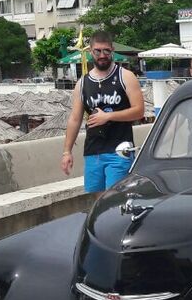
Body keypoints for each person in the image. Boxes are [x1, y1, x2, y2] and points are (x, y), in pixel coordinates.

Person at [62, 31, 145, 193]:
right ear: (90, 51)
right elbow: (75, 119)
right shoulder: (82, 83)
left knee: (114, 198)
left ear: (112, 50)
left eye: (106, 51)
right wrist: (67, 152)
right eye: (97, 51)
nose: (102, 55)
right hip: (93, 152)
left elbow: (139, 111)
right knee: (94, 200)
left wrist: (108, 116)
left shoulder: (125, 77)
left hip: (119, 150)